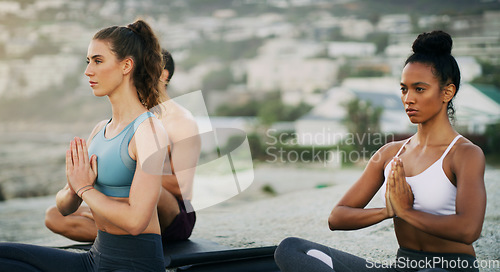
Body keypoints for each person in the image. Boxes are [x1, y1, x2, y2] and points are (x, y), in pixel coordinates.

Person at [274, 30, 486, 272]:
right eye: (404, 89)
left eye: (419, 89)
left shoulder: (465, 154)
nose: (408, 99)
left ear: (447, 92)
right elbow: (338, 217)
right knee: (292, 249)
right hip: (403, 266)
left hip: (448, 268)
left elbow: (469, 229)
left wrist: (406, 211)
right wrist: (388, 210)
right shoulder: (390, 153)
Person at [0, 20, 170, 271]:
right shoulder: (100, 129)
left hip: (134, 264)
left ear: (126, 65)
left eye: (98, 61)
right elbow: (65, 207)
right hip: (96, 258)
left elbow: (136, 221)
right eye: (87, 61)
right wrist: (72, 188)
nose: (88, 71)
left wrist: (85, 189)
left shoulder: (149, 131)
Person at [45, 48, 200, 244]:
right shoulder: (118, 123)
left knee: (145, 189)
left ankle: (123, 225)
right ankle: (117, 228)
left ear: (163, 75)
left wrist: (133, 167)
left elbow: (184, 189)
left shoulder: (181, 121)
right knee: (53, 216)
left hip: (171, 214)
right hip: (124, 211)